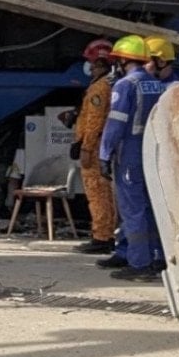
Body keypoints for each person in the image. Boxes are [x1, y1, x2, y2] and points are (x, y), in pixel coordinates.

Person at [96, 35, 165, 281]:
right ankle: (157, 258)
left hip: (129, 154)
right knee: (151, 208)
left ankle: (139, 263)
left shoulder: (124, 86)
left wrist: (104, 153)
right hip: (152, 153)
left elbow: (115, 124)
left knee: (132, 209)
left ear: (124, 60)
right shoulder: (156, 85)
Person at [70, 39, 117, 255]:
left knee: (97, 193)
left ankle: (101, 236)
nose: (88, 66)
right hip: (98, 145)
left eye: (90, 62)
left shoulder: (99, 88)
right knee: (103, 192)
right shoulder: (105, 85)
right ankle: (106, 234)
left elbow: (95, 121)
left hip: (94, 147)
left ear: (97, 63)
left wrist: (86, 148)